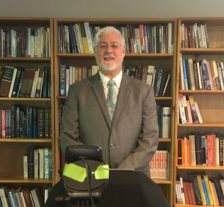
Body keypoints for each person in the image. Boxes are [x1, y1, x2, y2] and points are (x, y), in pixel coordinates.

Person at [45, 26, 159, 206]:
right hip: (88, 181)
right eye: (103, 46)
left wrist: (120, 173)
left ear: (123, 52)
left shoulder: (143, 91)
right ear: (96, 52)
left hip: (133, 179)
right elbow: (68, 137)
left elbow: (150, 139)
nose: (109, 51)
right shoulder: (77, 91)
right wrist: (97, 170)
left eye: (114, 45)